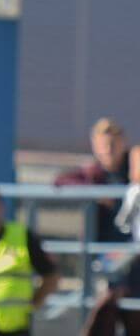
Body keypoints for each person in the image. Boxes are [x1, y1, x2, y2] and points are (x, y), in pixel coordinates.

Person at [0, 188, 59, 336]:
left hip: (14, 328)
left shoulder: (23, 236)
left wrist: (32, 304)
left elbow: (51, 277)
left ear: (3, 208)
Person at [80, 147, 140, 336]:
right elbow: (62, 180)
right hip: (121, 262)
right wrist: (95, 191)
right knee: (108, 302)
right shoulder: (126, 189)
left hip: (131, 266)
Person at [55, 118, 132, 242]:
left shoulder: (133, 169)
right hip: (102, 247)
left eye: (112, 144)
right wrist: (95, 193)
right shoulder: (92, 173)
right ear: (94, 146)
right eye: (103, 145)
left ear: (122, 143)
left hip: (133, 245)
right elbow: (60, 180)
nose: (108, 150)